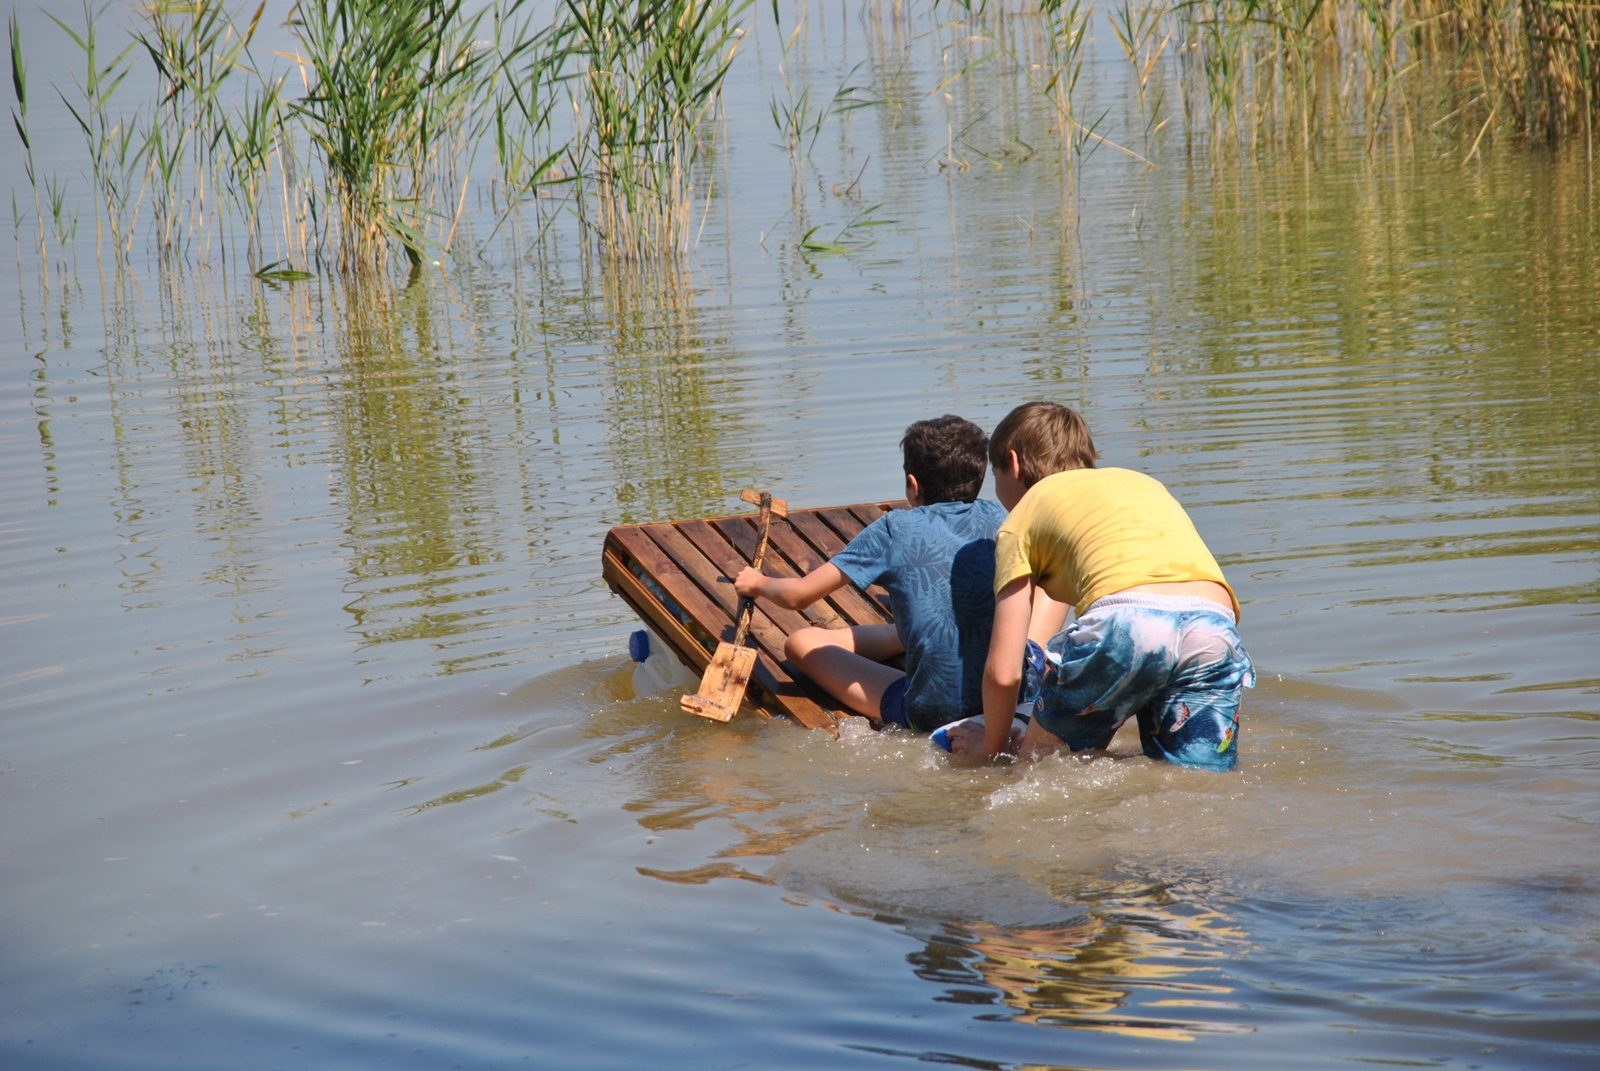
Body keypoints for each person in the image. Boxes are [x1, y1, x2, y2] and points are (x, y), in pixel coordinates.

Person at [947, 401, 1254, 770]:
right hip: (1213, 627)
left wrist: (991, 746)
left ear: (1012, 464)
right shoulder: (1142, 483)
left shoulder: (1023, 515)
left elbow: (1003, 670)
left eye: (995, 477)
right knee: (1195, 781)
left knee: (1037, 772)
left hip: (1126, 622)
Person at [732, 415, 1010, 734]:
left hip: (935, 714)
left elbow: (797, 596)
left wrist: (758, 582)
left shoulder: (893, 530)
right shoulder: (998, 517)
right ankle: (904, 636)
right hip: (1009, 696)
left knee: (801, 641)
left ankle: (902, 637)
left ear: (913, 484)